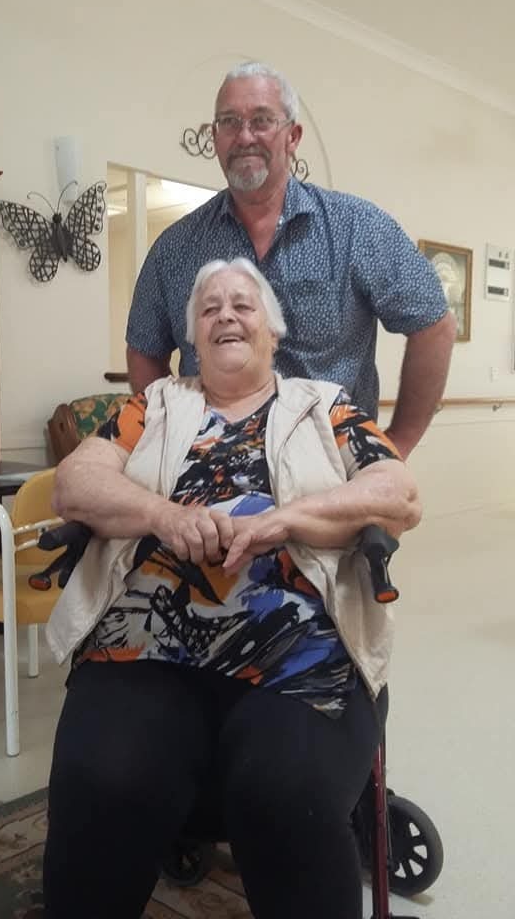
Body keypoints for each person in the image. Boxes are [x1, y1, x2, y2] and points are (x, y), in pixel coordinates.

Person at [43, 257, 421, 919]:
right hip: (145, 647)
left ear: (273, 330)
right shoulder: (154, 405)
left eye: (243, 305)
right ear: (193, 335)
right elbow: (75, 482)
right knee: (101, 780)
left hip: (299, 652)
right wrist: (165, 516)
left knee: (286, 798)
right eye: (209, 308)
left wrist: (288, 520)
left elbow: (398, 492)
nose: (226, 316)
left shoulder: (324, 405)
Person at [126, 60, 456, 459]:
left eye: (262, 120)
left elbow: (434, 324)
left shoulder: (357, 228)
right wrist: (170, 436)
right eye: (229, 122)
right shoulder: (176, 248)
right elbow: (144, 349)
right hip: (213, 472)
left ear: (293, 136)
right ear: (214, 137)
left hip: (333, 469)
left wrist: (397, 444)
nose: (244, 136)